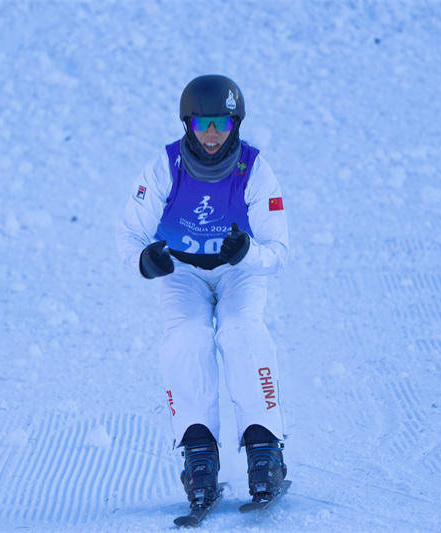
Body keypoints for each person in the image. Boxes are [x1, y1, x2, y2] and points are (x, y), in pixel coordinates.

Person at [116, 74, 289, 507]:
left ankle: (265, 451)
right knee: (186, 339)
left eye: (222, 125)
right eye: (202, 125)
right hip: (183, 274)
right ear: (187, 124)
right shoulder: (164, 166)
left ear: (236, 125)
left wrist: (246, 252)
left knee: (240, 331)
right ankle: (198, 457)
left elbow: (278, 250)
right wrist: (144, 261)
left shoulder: (256, 170)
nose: (212, 136)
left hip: (238, 271)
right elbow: (129, 233)